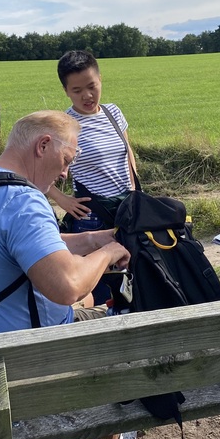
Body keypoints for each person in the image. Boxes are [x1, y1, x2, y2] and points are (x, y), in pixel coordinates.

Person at [0, 110, 136, 439]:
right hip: (30, 355)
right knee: (131, 330)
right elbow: (68, 286)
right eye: (66, 160)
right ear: (43, 145)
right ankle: (109, 433)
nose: (65, 173)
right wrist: (109, 252)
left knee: (95, 308)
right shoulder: (23, 201)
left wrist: (91, 239)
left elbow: (22, 243)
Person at [48, 50, 138, 303]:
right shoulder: (65, 126)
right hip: (93, 217)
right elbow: (39, 174)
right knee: (98, 290)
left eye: (91, 86)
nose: (86, 95)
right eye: (77, 90)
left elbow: (128, 151)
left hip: (127, 209)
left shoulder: (113, 113)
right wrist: (62, 199)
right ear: (66, 91)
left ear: (100, 79)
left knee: (132, 279)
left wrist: (135, 189)